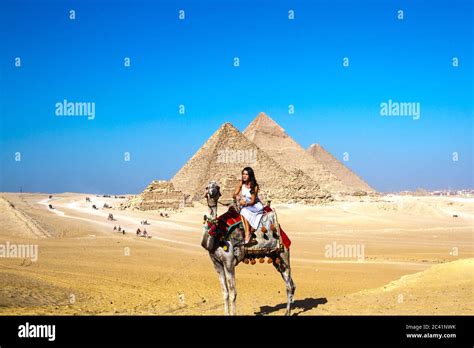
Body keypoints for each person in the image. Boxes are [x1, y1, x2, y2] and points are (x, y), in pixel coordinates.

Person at [232, 167, 264, 245]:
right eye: (243, 174)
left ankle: (247, 234)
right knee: (242, 210)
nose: (244, 176)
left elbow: (252, 201)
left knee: (243, 210)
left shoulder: (254, 186)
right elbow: (234, 194)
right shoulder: (241, 183)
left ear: (250, 175)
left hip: (255, 206)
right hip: (246, 204)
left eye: (246, 174)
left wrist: (245, 203)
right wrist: (237, 197)